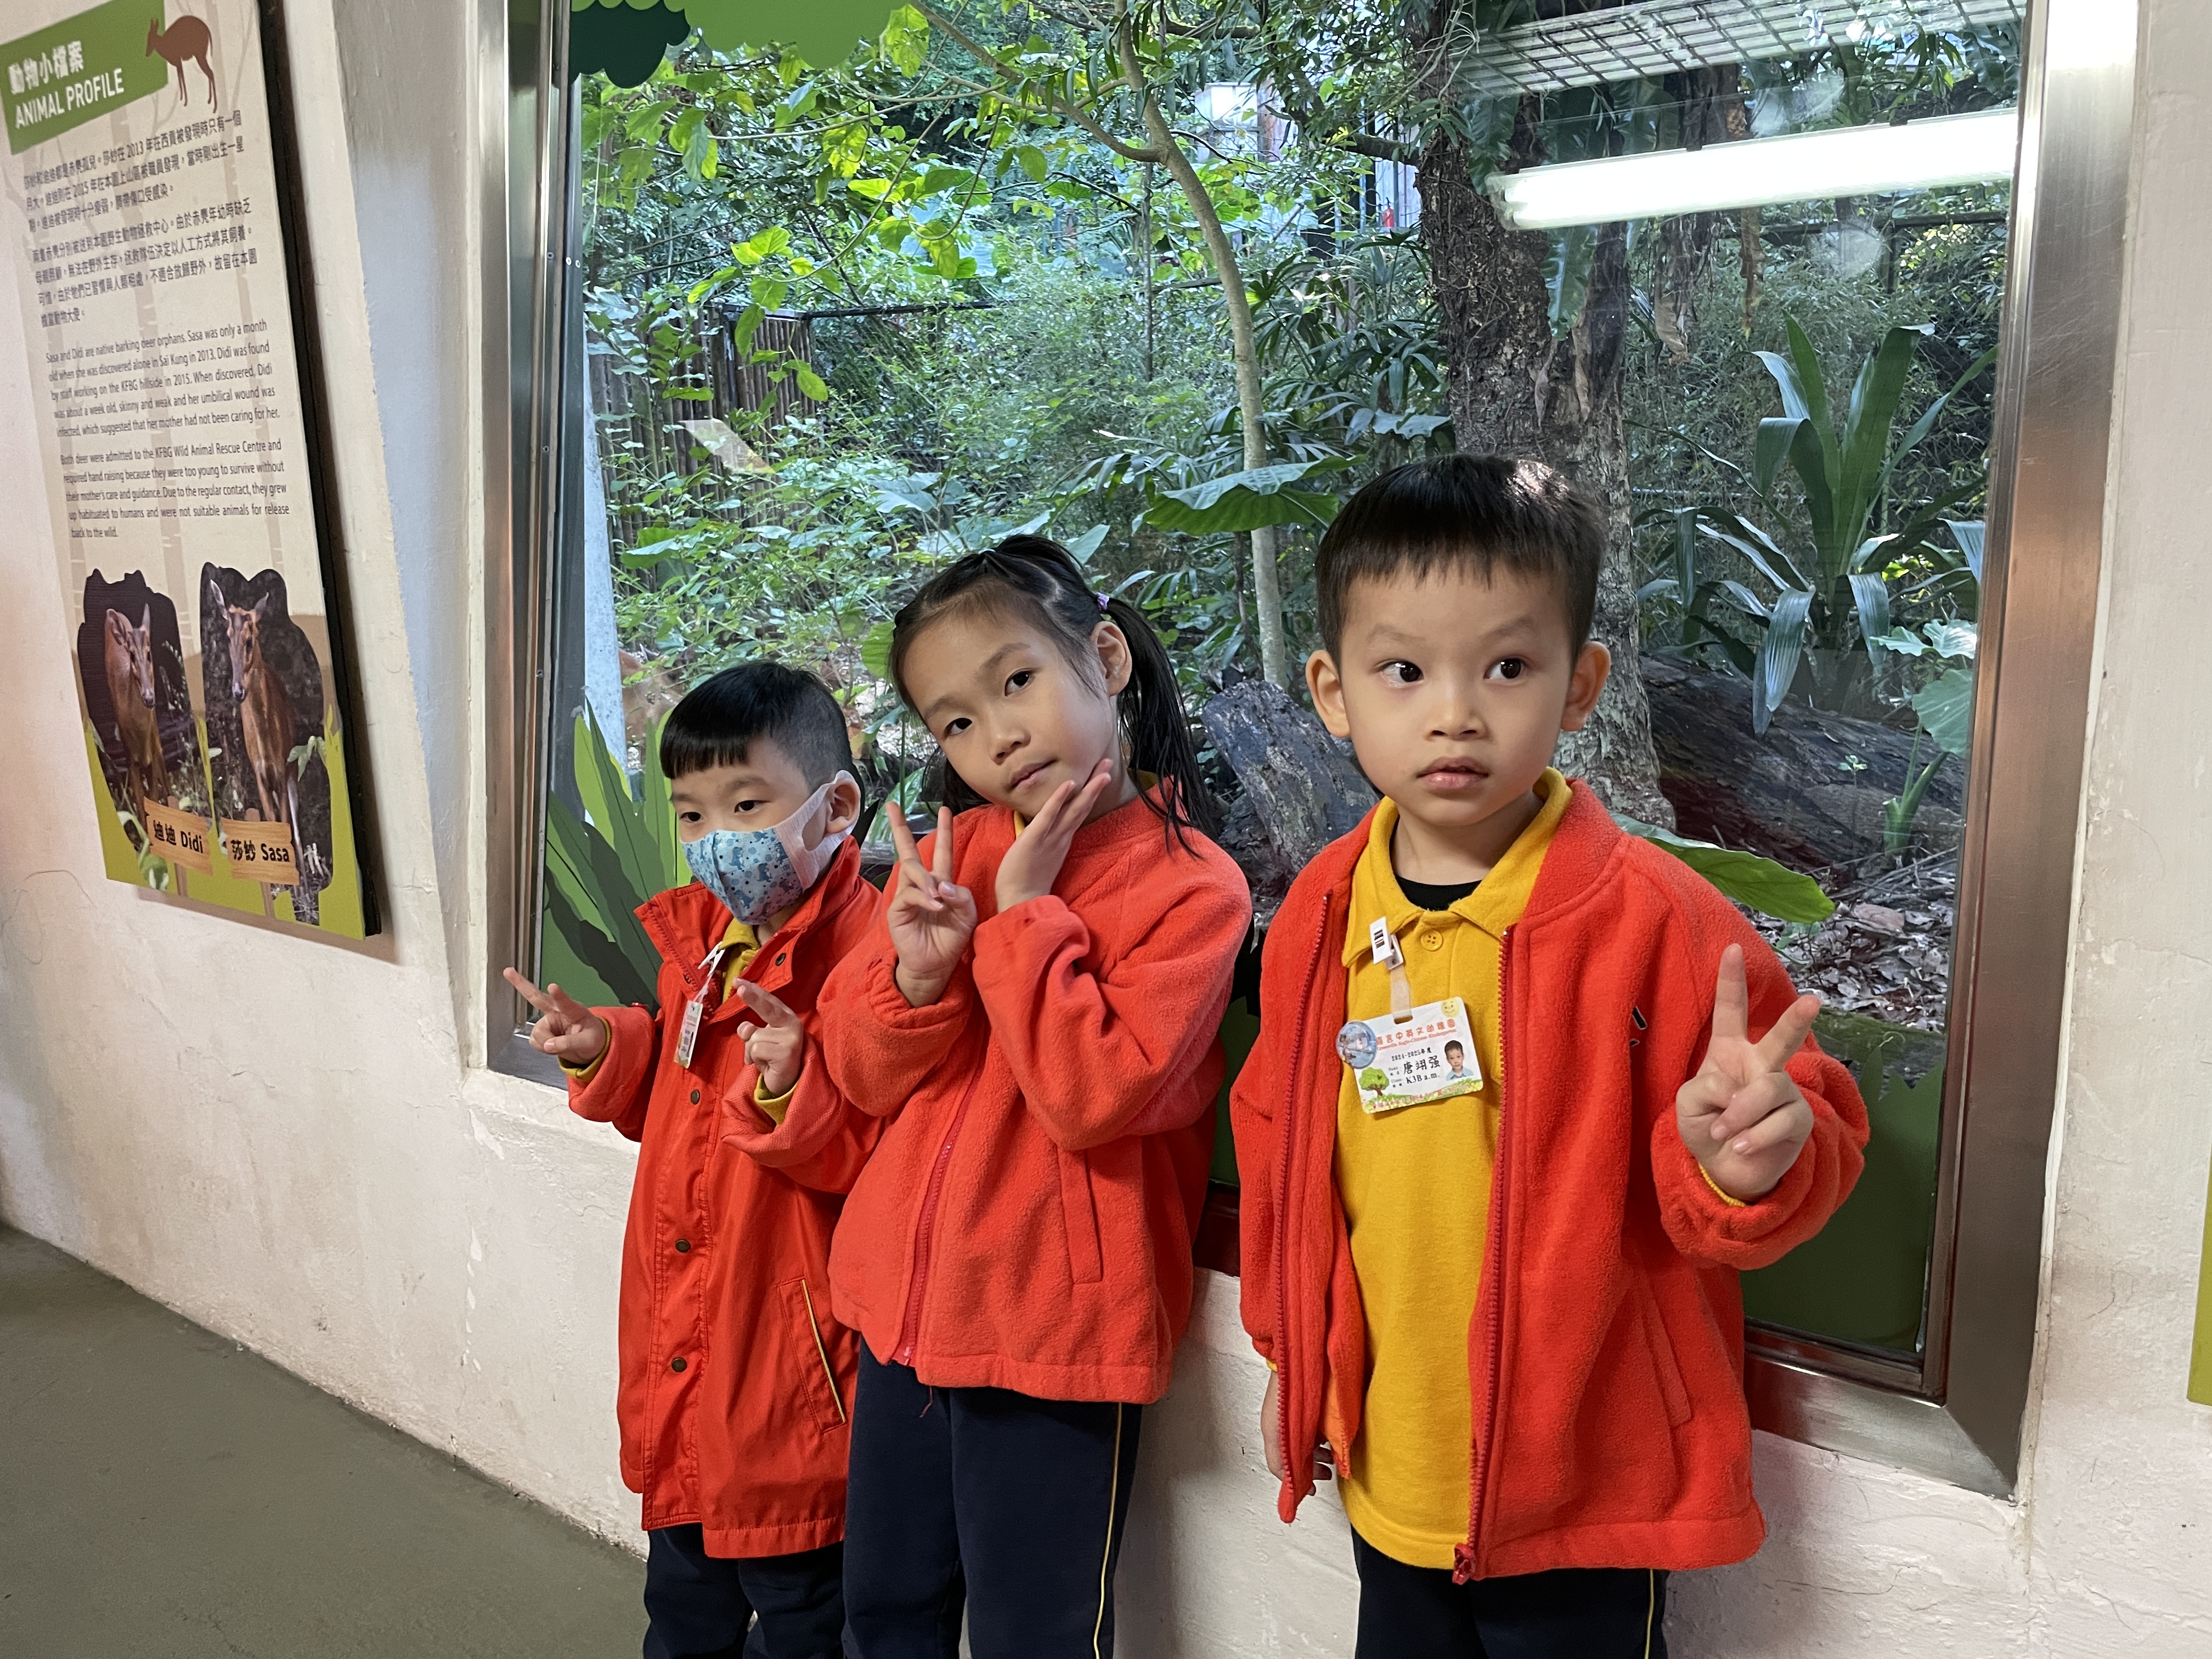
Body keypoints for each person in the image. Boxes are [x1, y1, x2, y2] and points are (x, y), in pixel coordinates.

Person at [1231, 455, 1869, 1657]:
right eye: (1403, 671)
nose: (1455, 713)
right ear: (1332, 692)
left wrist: (1746, 1165)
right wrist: (1291, 1357)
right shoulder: (1322, 909)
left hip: (1586, 1478)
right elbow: (1277, 1146)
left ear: (1580, 687)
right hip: (1393, 1459)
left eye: (1507, 668)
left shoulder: (1659, 921)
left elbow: (1800, 1125)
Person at [816, 536, 1251, 1658]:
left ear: (1105, 657)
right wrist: (917, 975)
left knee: (1035, 1636)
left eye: (1017, 680)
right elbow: (857, 1073)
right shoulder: (948, 851)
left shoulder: (1195, 888)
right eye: (957, 722)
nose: (998, 736)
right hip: (901, 1313)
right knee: (883, 1615)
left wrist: (1022, 920)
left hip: (1052, 1334)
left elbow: (1092, 1097)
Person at [505, 662, 883, 1659]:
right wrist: (606, 1046)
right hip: (682, 1354)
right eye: (691, 814)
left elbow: (877, 1152)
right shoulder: (703, 946)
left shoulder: (874, 955)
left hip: (792, 1376)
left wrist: (794, 1084)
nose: (717, 839)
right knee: (681, 1608)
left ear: (837, 805)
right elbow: (681, 1092)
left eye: (747, 806)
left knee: (805, 1616)